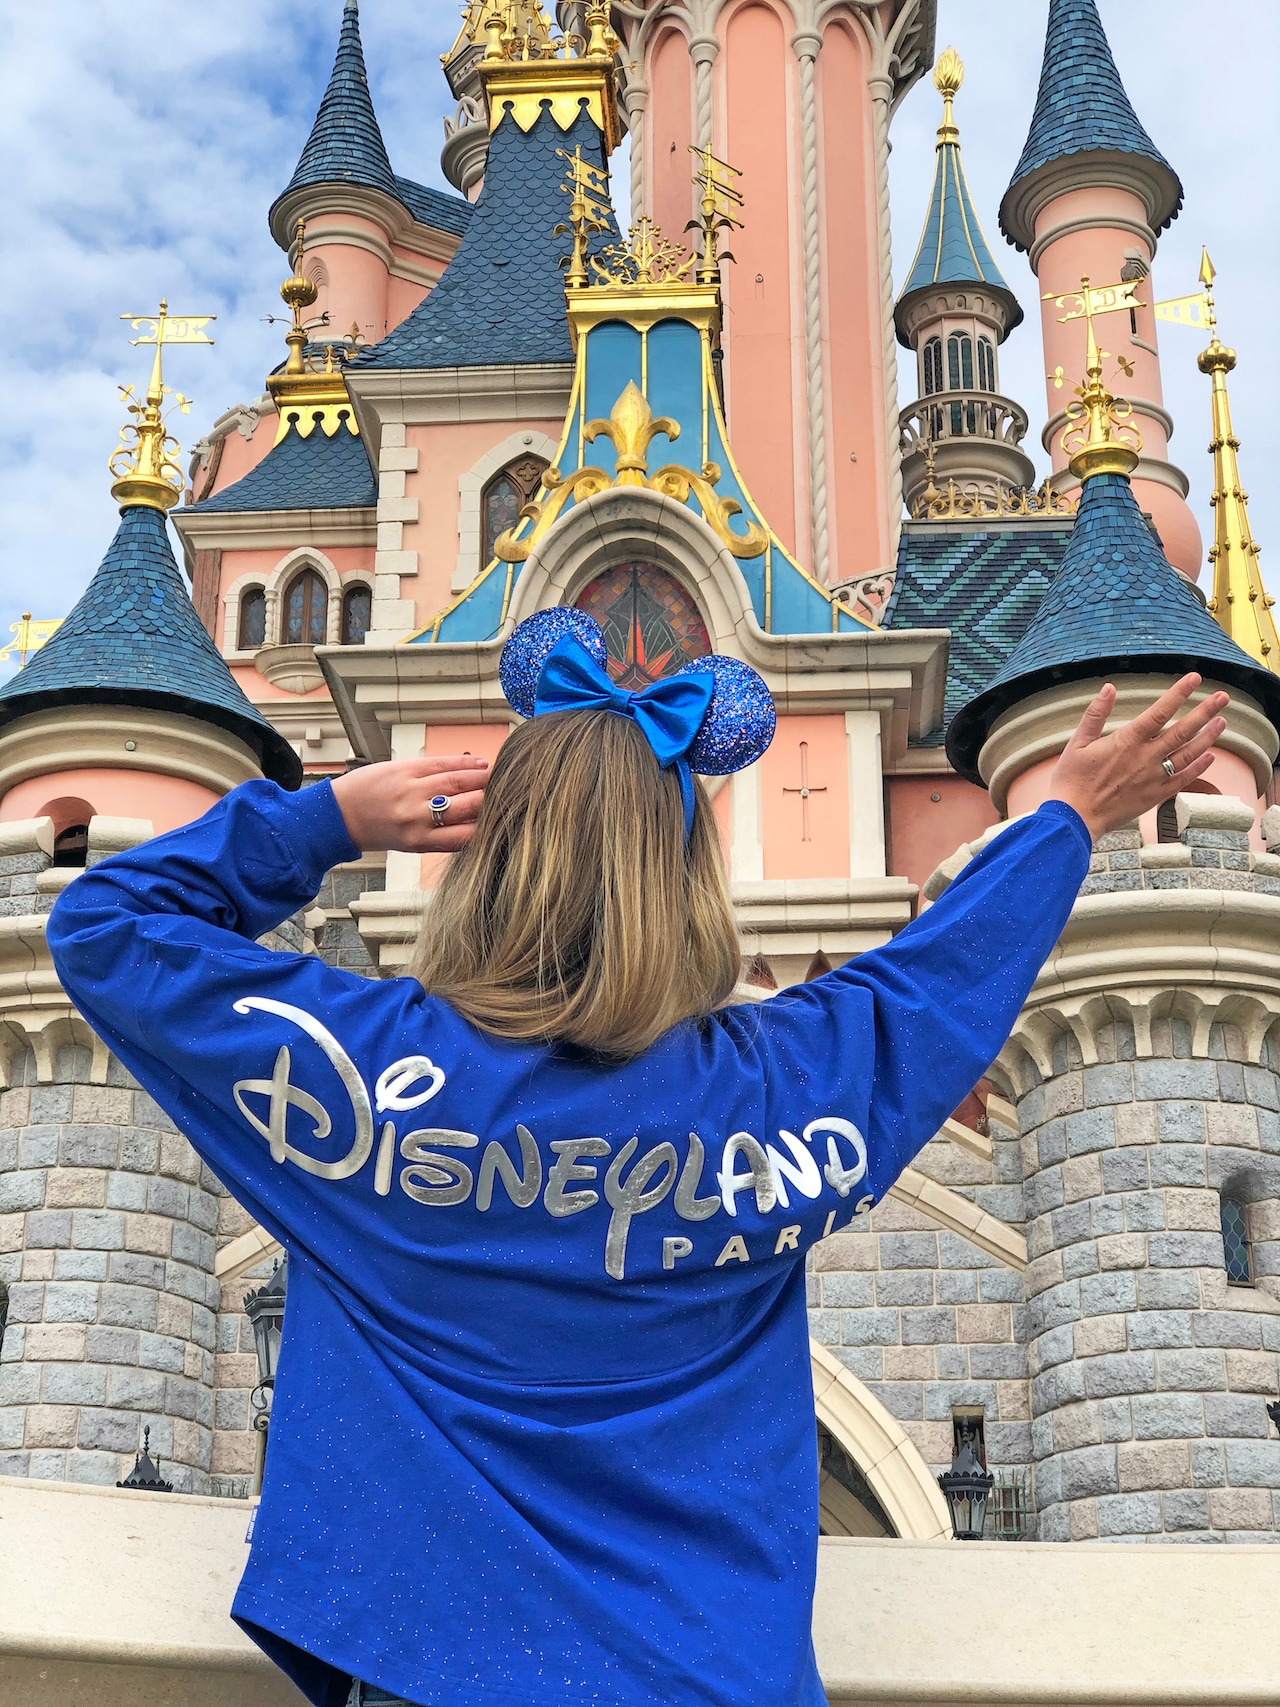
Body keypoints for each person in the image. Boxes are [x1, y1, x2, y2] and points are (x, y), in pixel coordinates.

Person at [47, 605, 1227, 1707]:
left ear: (487, 863)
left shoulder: (355, 1070)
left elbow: (104, 926)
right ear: (685, 877)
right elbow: (936, 980)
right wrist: (1062, 818)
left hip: (418, 1670)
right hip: (703, 1675)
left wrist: (331, 817)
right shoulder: (781, 1085)